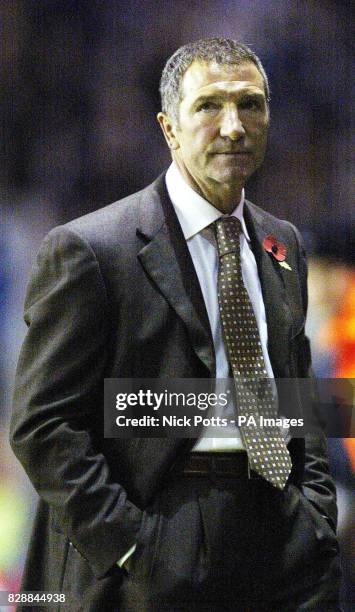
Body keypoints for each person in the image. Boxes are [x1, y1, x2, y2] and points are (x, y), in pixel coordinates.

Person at [10, 38, 341, 611]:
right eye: (209, 105)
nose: (234, 126)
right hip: (155, 538)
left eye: (251, 104)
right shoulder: (89, 250)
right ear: (169, 127)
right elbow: (42, 425)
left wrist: (314, 513)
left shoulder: (282, 244)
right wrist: (130, 547)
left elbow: (297, 396)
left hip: (278, 535)